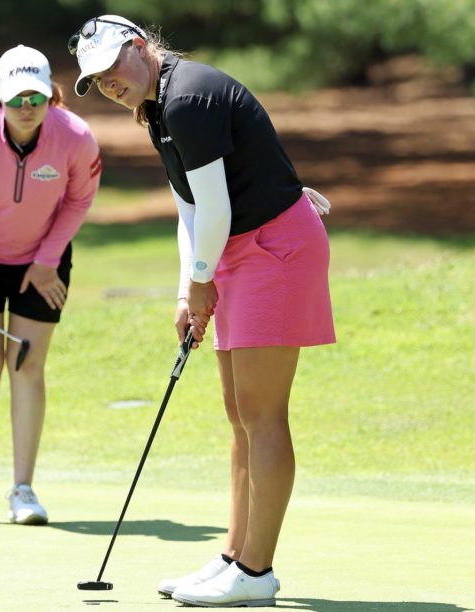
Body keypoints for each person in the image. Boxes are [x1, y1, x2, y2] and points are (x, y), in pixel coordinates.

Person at [70, 16, 335, 607]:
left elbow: (214, 207)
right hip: (235, 250)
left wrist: (200, 283)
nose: (110, 84)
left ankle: (258, 572)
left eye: (114, 68)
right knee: (239, 413)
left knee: (263, 414)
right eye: (99, 80)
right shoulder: (158, 109)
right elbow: (190, 210)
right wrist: (186, 290)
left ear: (141, 48)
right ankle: (234, 557)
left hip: (276, 249)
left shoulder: (188, 98)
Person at [0, 45, 101, 526]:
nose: (26, 107)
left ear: (52, 94)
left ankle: (24, 490)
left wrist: (48, 260)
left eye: (35, 96)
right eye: (16, 98)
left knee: (27, 366)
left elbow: (78, 201)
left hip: (43, 262)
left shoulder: (76, 138)